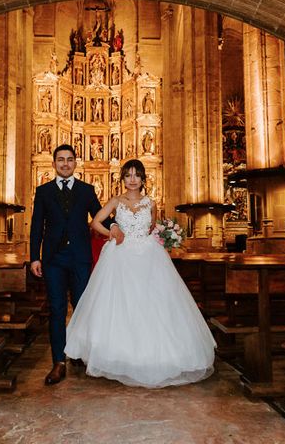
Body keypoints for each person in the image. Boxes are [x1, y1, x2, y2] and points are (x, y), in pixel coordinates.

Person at [65, 159, 216, 388]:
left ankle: (155, 356)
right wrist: (112, 232)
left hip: (148, 256)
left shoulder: (151, 203)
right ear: (123, 179)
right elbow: (95, 222)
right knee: (121, 304)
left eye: (136, 175)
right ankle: (120, 356)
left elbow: (151, 228)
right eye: (128, 175)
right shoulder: (116, 201)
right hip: (120, 256)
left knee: (152, 303)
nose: (132, 179)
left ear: (143, 178)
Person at [30, 144, 124, 385]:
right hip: (53, 259)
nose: (65, 163)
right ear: (54, 163)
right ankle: (58, 362)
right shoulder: (43, 191)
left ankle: (81, 353)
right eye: (60, 159)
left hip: (80, 258)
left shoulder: (86, 190)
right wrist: (34, 257)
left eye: (69, 159)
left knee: (83, 307)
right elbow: (36, 226)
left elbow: (99, 214)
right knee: (57, 310)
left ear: (75, 163)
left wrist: (114, 226)